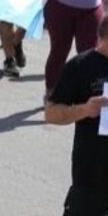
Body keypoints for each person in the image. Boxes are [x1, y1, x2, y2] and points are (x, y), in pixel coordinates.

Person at [45, 15, 108, 216]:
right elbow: (51, 113)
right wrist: (85, 110)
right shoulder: (81, 67)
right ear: (104, 37)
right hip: (92, 170)